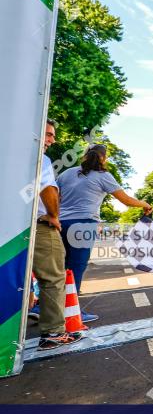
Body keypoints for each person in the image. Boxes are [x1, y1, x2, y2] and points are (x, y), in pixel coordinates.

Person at [57, 143, 152, 321]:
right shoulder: (103, 176)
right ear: (104, 158)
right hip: (84, 225)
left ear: (84, 156)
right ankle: (71, 311)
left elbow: (54, 197)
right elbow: (126, 200)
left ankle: (43, 307)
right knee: (75, 267)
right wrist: (145, 204)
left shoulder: (67, 173)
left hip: (60, 224)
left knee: (58, 267)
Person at [32, 120, 81, 350]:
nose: (52, 140)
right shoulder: (40, 158)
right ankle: (53, 332)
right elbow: (48, 189)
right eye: (49, 134)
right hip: (39, 225)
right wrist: (53, 215)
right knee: (53, 278)